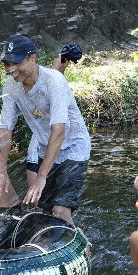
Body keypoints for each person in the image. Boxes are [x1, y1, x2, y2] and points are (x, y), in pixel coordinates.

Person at [0, 35, 91, 223]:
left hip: (73, 147)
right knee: (45, 209)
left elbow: (58, 131)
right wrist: (1, 171)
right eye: (7, 64)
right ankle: (61, 246)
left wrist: (41, 176)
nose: (11, 69)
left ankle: (79, 247)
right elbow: (4, 129)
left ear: (32, 58)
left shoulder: (54, 81)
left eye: (16, 63)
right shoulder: (11, 86)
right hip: (46, 147)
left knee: (60, 208)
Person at [26, 42, 84, 191]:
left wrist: (58, 69)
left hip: (52, 150)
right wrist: (57, 69)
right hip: (39, 149)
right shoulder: (38, 87)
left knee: (45, 200)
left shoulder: (55, 84)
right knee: (37, 200)